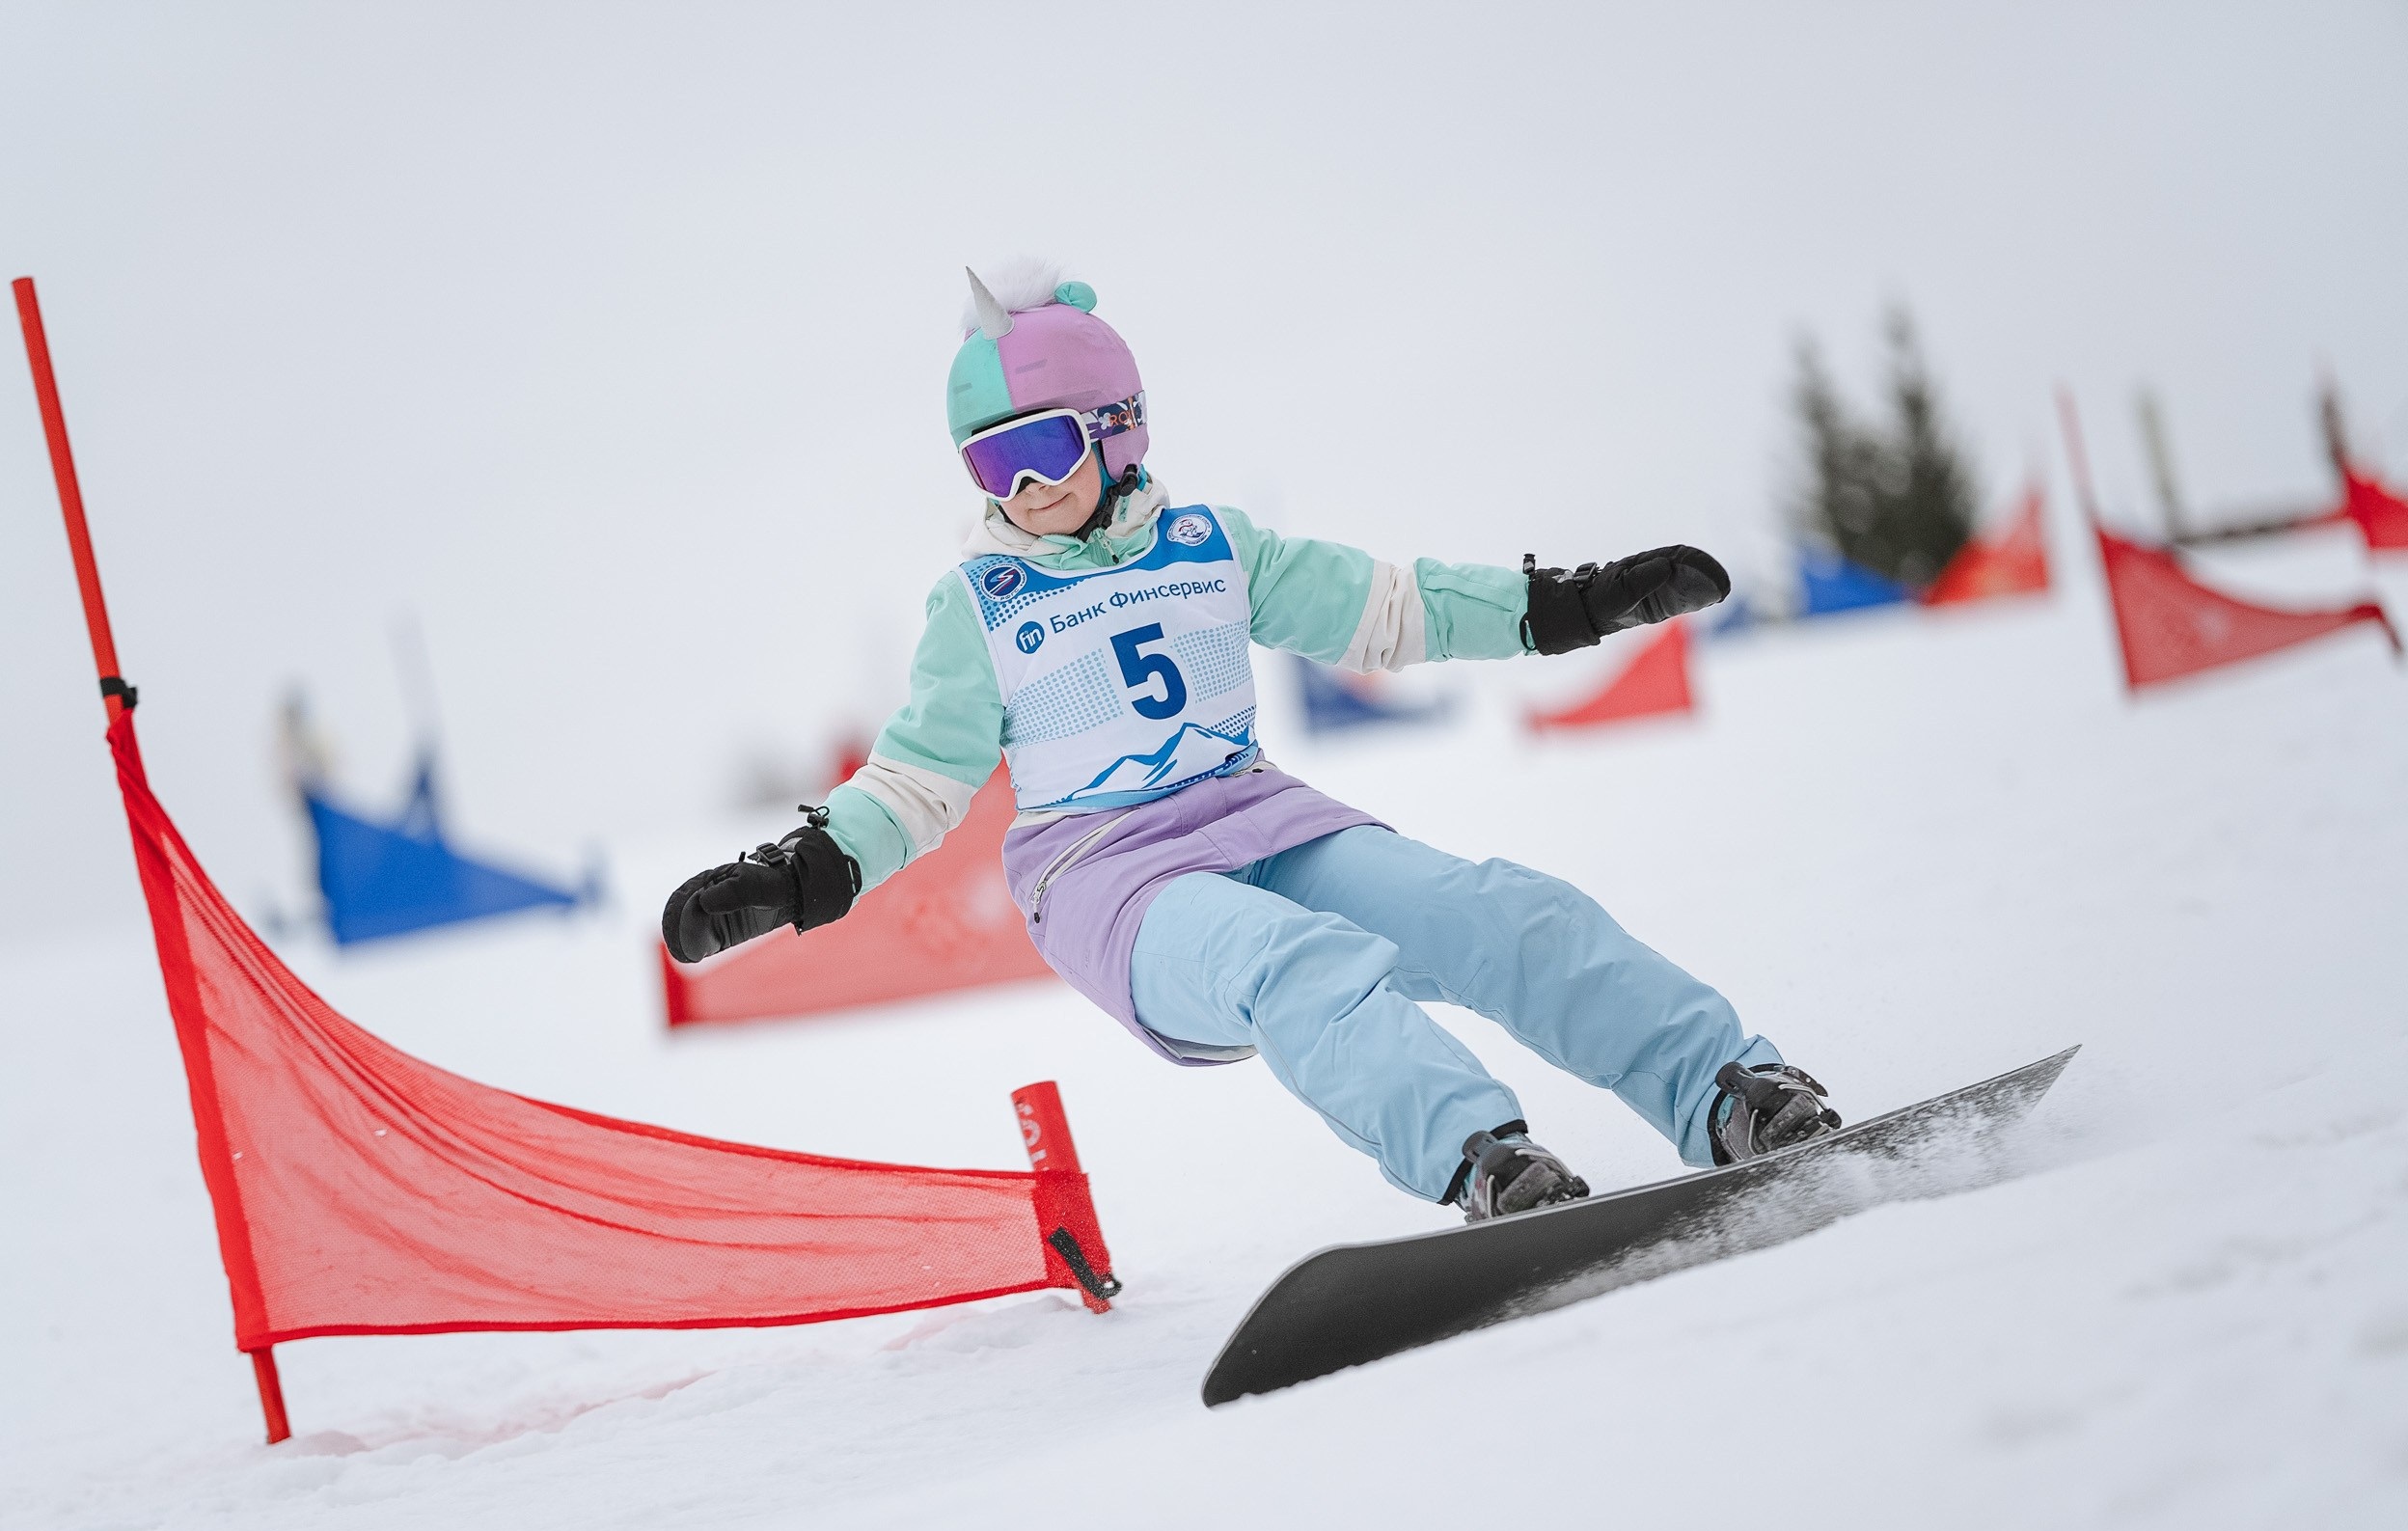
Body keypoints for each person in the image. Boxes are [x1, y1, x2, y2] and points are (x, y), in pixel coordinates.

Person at [662, 264, 1837, 1220]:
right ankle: (1485, 1161)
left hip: (1266, 821)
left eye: (1042, 451)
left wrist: (1565, 604)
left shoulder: (1213, 547)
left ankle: (1728, 1090)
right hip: (1106, 881)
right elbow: (919, 780)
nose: (1019, 489)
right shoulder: (984, 603)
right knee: (1297, 967)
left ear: (1117, 434)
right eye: (990, 463)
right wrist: (805, 869)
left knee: (1499, 913)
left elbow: (1393, 606)